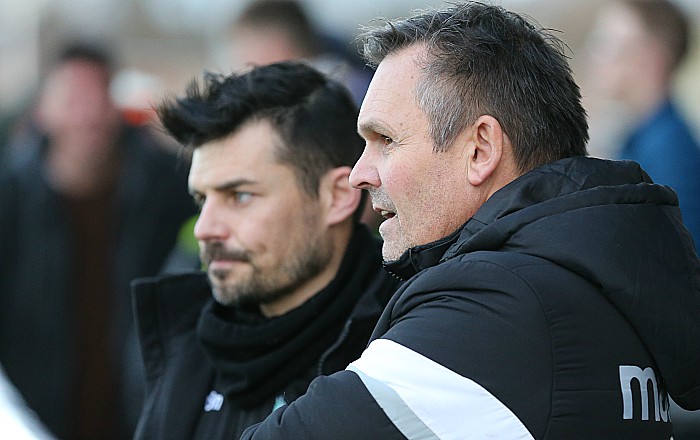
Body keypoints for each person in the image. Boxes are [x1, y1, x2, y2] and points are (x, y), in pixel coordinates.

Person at [240, 3, 700, 439]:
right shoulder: (586, 281)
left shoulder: (498, 305)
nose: (359, 174)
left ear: (480, 149)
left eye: (384, 139)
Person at [131, 61, 400, 439]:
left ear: (338, 196)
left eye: (239, 195)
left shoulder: (406, 353)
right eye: (202, 199)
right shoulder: (185, 347)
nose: (206, 229)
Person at [0, 42, 196, 439]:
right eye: (73, 99)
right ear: (43, 110)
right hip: (35, 417)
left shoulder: (168, 188)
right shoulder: (11, 198)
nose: (89, 115)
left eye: (99, 96)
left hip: (142, 413)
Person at [584, 0, 700, 247]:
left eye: (608, 44)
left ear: (651, 60)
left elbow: (673, 259)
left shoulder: (670, 152)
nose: (594, 55)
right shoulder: (639, 138)